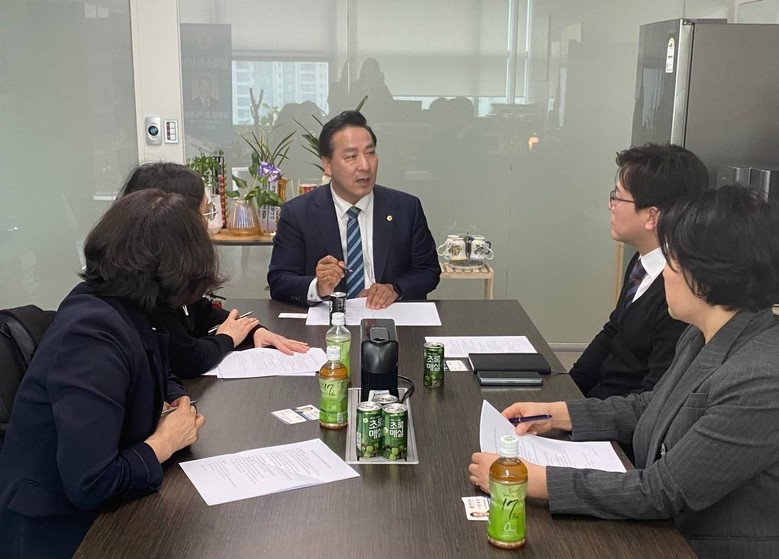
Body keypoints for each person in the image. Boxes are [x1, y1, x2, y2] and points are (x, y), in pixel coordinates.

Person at [469, 185, 779, 557]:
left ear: (706, 275)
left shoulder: (760, 379)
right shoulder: (702, 335)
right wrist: (556, 414)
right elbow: (651, 406)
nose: (664, 275)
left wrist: (535, 480)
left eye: (672, 261)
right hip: (661, 533)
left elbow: (664, 491)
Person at [0, 190, 212, 557]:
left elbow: (155, 365)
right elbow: (92, 483)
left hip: (94, 507)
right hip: (59, 529)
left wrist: (174, 397)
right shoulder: (92, 335)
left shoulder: (122, 305)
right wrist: (165, 441)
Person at [120, 162, 308, 377]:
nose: (207, 224)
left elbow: (201, 312)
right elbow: (186, 359)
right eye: (204, 213)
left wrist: (253, 331)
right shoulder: (140, 284)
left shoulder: (165, 266)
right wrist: (226, 339)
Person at [570, 144, 709, 398]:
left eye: (618, 197)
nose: (611, 205)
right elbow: (613, 331)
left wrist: (574, 412)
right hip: (597, 401)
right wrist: (567, 390)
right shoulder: (643, 261)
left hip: (623, 415)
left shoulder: (681, 291)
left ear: (652, 217)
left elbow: (653, 398)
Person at [267, 110, 440, 309]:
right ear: (327, 165)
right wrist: (319, 286)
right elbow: (279, 280)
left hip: (390, 315)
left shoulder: (406, 208)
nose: (365, 165)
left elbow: (428, 270)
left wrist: (395, 288)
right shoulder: (298, 213)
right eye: (351, 156)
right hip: (327, 319)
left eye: (370, 153)